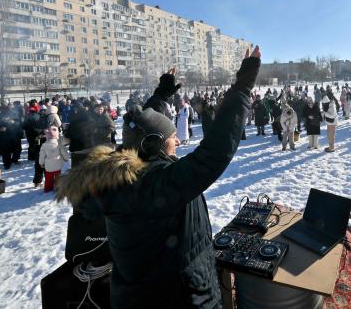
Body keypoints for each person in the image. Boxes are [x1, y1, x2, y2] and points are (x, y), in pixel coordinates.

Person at [57, 45, 261, 308]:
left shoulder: (129, 173)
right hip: (178, 297)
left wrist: (161, 95)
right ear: (154, 144)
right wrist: (244, 86)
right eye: (172, 137)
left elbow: (144, 126)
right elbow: (213, 154)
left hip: (149, 294)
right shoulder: (153, 184)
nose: (177, 139)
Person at [38, 125, 69, 192]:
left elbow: (42, 155)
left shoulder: (44, 145)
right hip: (58, 163)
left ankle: (48, 189)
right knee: (58, 177)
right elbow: (63, 152)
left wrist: (41, 163)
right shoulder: (58, 143)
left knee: (49, 178)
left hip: (48, 165)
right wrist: (66, 158)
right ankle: (58, 188)